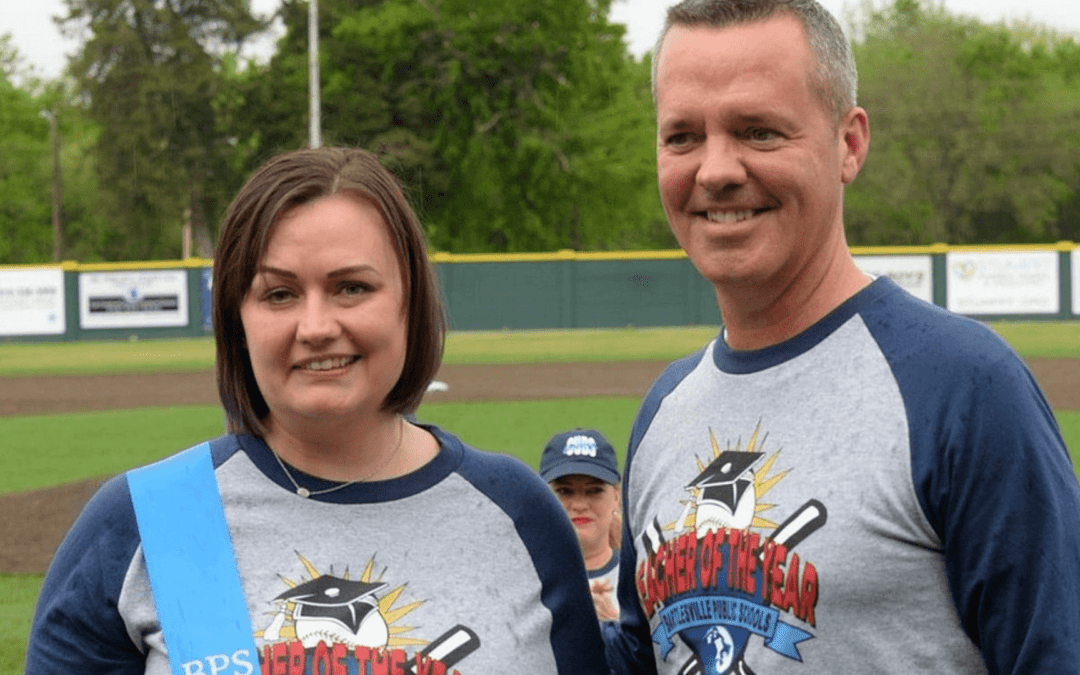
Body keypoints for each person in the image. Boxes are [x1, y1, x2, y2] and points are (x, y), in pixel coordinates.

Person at [604, 1, 1080, 674]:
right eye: (682, 136)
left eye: (758, 131)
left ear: (848, 144)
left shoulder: (963, 387)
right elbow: (642, 653)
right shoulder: (664, 409)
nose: (715, 170)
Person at [25, 147, 609, 675]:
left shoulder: (519, 513)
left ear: (410, 301)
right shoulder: (148, 520)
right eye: (278, 294)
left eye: (351, 287)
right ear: (237, 319)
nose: (317, 327)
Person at [539, 429, 622, 625]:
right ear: (540, 497)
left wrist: (618, 633)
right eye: (564, 491)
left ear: (616, 498)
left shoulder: (640, 580)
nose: (579, 505)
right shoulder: (523, 580)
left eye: (594, 491)